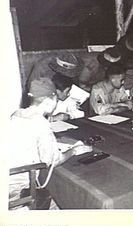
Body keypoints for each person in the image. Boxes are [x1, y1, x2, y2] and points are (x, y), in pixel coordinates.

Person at [9, 78, 92, 209]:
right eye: (56, 99)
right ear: (49, 101)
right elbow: (53, 160)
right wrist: (75, 150)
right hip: (16, 190)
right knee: (62, 204)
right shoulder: (40, 123)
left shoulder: (17, 114)